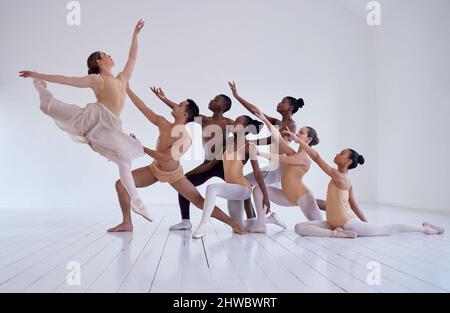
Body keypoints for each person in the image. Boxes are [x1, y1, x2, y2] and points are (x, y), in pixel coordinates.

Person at [19, 20, 153, 221]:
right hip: (92, 118)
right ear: (99, 62)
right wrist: (36, 75)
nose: (109, 55)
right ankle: (40, 86)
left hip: (110, 127)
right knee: (47, 107)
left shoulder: (121, 79)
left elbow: (132, 58)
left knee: (124, 162)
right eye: (105, 54)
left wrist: (135, 35)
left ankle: (137, 202)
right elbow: (65, 79)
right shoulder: (97, 80)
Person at [108, 85, 244, 234]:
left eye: (180, 105)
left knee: (199, 201)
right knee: (121, 185)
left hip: (174, 174)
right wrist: (126, 88)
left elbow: (165, 157)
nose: (176, 106)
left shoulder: (185, 138)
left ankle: (232, 222)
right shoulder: (163, 123)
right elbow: (144, 108)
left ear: (185, 115)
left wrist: (141, 147)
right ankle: (127, 222)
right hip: (154, 169)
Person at [284, 129, 444, 238]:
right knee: (300, 228)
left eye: (341, 154)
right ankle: (336, 234)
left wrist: (298, 139)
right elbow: (354, 204)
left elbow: (317, 158)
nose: (337, 154)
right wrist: (366, 222)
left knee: (388, 229)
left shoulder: (340, 177)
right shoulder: (342, 178)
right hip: (332, 224)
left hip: (349, 224)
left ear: (347, 161)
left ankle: (426, 229)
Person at [150, 87, 255, 230]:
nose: (212, 100)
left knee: (243, 188)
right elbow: (184, 112)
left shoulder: (229, 123)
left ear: (223, 106)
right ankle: (185, 221)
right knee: (184, 184)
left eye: (216, 99)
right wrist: (164, 99)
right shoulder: (204, 120)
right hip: (208, 163)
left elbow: (242, 135)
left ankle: (252, 220)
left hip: (223, 164)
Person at [192, 116, 271, 239]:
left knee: (212, 188)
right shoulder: (227, 146)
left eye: (237, 122)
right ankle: (270, 219)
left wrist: (265, 197)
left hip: (243, 188)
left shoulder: (249, 147)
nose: (233, 124)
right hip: (232, 191)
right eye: (234, 121)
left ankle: (202, 225)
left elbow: (257, 173)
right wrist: (188, 174)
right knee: (239, 228)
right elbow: (209, 165)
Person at [248, 109, 323, 233]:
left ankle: (339, 231)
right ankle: (261, 224)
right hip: (287, 196)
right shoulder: (293, 153)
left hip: (303, 196)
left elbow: (282, 159)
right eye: (298, 131)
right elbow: (278, 138)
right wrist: (265, 120)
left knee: (319, 226)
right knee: (258, 190)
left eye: (301, 133)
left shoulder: (304, 158)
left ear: (308, 139)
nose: (297, 133)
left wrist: (260, 153)